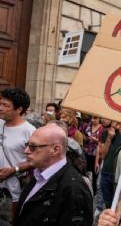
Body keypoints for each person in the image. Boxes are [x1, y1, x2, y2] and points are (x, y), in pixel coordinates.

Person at [15, 124, 93, 226]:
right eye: (27, 145)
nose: (26, 151)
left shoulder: (74, 188)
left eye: (33, 147)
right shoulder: (39, 174)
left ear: (56, 150)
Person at [0, 88, 36, 220]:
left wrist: (13, 170)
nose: (1, 108)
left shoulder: (30, 131)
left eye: (5, 105)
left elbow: (36, 161)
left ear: (19, 109)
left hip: (13, 194)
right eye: (0, 104)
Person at [99, 122, 121, 208]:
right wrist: (109, 138)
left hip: (118, 176)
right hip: (106, 172)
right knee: (108, 204)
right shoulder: (106, 133)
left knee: (117, 204)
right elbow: (102, 155)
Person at [82, 115, 103, 191]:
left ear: (99, 118)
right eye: (92, 118)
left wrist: (95, 140)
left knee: (95, 173)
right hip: (86, 152)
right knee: (85, 170)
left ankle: (94, 190)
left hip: (96, 154)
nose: (93, 120)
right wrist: (84, 137)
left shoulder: (102, 128)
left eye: (95, 118)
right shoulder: (87, 126)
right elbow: (82, 134)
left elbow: (101, 142)